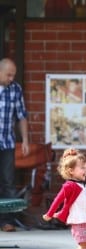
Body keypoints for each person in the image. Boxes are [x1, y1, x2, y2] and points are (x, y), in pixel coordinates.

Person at [43, 148, 86, 249]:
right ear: (71, 171)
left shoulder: (82, 185)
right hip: (79, 220)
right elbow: (58, 200)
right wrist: (49, 214)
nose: (85, 170)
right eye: (82, 168)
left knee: (84, 244)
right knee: (83, 244)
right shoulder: (70, 186)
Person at [0, 58, 29, 232]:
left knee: (8, 181)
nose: (11, 78)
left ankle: (7, 221)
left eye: (13, 75)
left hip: (7, 142)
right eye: (8, 75)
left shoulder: (15, 89)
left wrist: (25, 140)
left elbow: (21, 116)